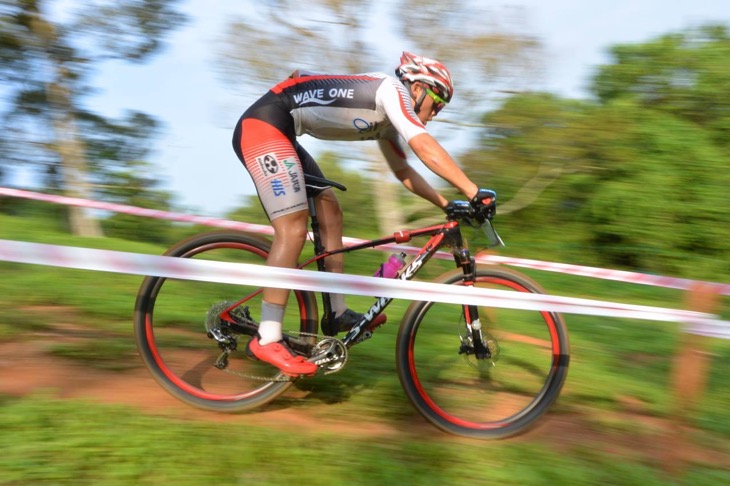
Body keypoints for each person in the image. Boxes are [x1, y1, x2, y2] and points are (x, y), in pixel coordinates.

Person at [232, 51, 495, 377]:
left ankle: (337, 311)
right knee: (293, 229)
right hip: (264, 128)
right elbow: (424, 146)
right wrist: (473, 191)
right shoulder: (392, 91)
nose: (436, 113)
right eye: (437, 102)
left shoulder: (386, 121)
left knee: (331, 211)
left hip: (281, 130)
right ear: (417, 88)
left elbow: (403, 172)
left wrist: (444, 203)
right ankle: (267, 336)